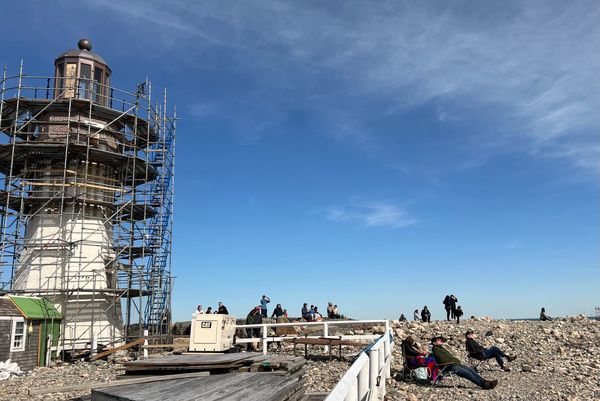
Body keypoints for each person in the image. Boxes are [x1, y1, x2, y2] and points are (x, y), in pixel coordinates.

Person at [431, 336, 498, 389]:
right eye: (438, 340)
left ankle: (485, 382)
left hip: (453, 364)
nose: (440, 341)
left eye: (440, 340)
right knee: (467, 373)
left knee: (471, 369)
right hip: (448, 366)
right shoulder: (435, 350)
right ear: (434, 343)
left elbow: (450, 357)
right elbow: (442, 360)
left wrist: (455, 361)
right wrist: (454, 361)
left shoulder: (441, 348)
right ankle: (484, 385)